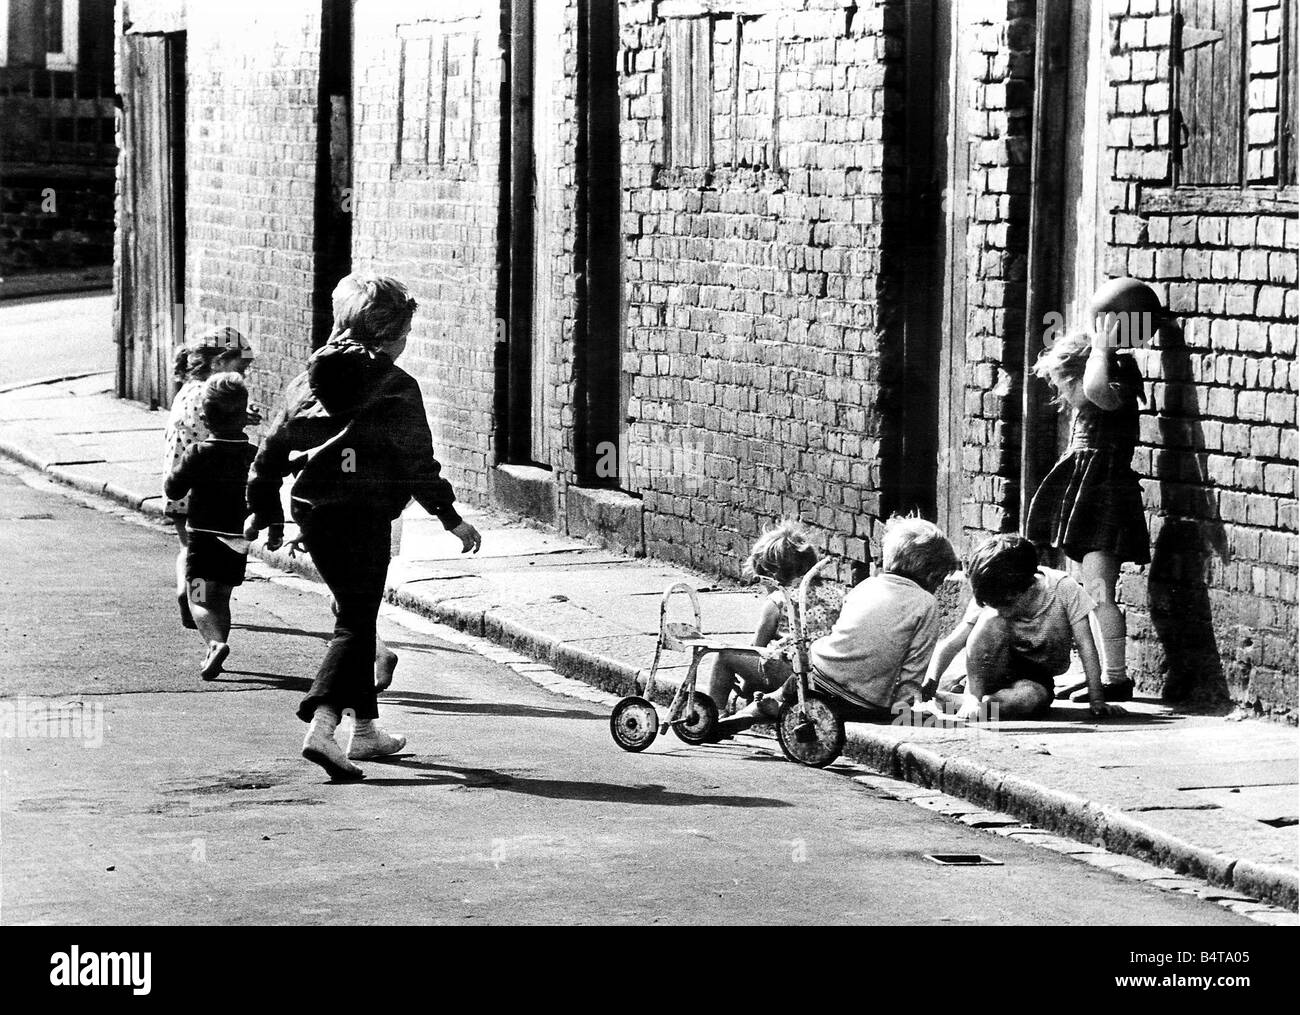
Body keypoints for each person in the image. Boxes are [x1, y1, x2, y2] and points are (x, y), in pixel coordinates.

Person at [245, 273, 482, 781]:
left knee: (360, 615)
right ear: (391, 335)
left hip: (312, 512)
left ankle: (367, 731)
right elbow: (418, 460)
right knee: (355, 623)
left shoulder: (305, 379)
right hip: (363, 516)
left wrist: (264, 508)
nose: (406, 343)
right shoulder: (397, 386)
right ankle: (323, 729)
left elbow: (269, 449)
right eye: (405, 333)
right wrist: (451, 517)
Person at [1025, 277, 1163, 702]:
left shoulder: (1113, 378)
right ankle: (1098, 671)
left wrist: (1102, 349)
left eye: (1063, 383)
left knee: (1099, 592)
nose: (1063, 394)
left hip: (1105, 499)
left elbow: (1095, 390)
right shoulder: (1102, 383)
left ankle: (1116, 677)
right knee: (1090, 591)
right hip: (1091, 495)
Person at [711, 515, 958, 739]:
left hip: (820, 674)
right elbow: (914, 667)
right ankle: (773, 704)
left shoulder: (866, 586)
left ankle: (756, 709)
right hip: (865, 700)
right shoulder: (927, 604)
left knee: (795, 683)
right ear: (932, 575)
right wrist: (902, 709)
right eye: (940, 579)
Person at [924, 534, 1123, 720]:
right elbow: (953, 642)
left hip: (1034, 678)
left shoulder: (1064, 590)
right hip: (990, 670)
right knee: (991, 620)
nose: (1001, 610)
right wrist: (930, 681)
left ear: (1028, 586)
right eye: (994, 605)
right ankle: (972, 698)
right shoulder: (993, 592)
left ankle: (966, 704)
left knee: (1030, 699)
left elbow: (1085, 645)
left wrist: (1097, 700)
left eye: (1006, 604)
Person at [163, 372, 262, 680]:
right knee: (221, 597)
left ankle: (215, 643)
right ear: (243, 418)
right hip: (237, 538)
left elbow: (174, 490)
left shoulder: (197, 453)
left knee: (197, 595)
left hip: (204, 537)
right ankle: (218, 643)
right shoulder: (252, 455)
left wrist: (173, 477)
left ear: (205, 417)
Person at [161, 328, 256, 629]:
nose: (242, 376)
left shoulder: (187, 391)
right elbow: (213, 437)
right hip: (206, 492)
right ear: (218, 364)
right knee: (205, 559)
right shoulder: (208, 396)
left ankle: (186, 592)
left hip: (178, 485)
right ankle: (196, 599)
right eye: (239, 368)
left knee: (187, 549)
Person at [699, 521, 842, 716]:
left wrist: (746, 685)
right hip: (827, 675)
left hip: (793, 673)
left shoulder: (778, 602)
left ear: (771, 576)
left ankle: (713, 716)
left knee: (725, 656)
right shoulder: (835, 595)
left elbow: (755, 650)